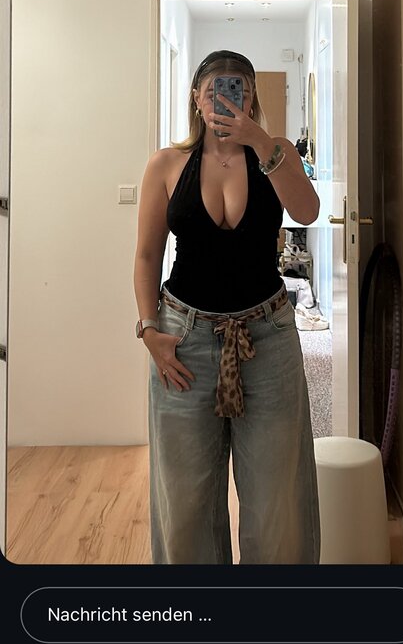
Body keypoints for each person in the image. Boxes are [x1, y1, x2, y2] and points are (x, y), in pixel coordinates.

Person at [134, 49, 321, 564]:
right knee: (185, 502)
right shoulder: (166, 164)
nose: (227, 98)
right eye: (216, 89)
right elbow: (147, 255)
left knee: (277, 500)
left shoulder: (276, 153)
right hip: (183, 341)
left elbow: (307, 210)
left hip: (268, 337)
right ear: (197, 98)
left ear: (252, 97)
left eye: (239, 88)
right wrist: (148, 329)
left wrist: (261, 142)